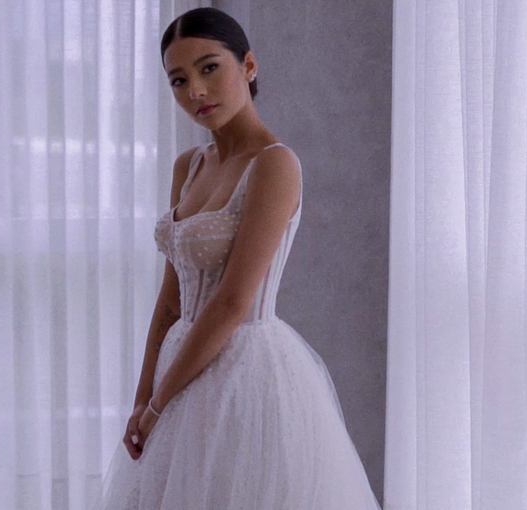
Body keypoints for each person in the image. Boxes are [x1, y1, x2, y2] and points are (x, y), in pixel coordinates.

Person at [92, 7, 381, 509]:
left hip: (245, 372)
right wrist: (143, 396)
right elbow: (171, 298)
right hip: (178, 368)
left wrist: (158, 406)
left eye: (209, 68)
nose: (196, 91)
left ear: (248, 65)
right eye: (179, 80)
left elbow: (232, 302)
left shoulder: (275, 165)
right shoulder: (189, 166)